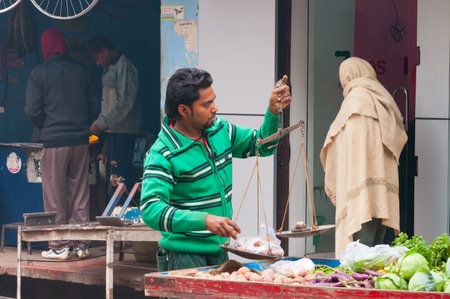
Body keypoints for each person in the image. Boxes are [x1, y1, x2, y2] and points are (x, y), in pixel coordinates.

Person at [140, 68, 291, 271]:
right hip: (183, 257)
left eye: (213, 100)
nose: (215, 108)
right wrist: (204, 220)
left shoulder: (219, 130)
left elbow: (262, 145)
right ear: (184, 110)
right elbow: (151, 210)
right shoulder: (163, 153)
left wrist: (273, 112)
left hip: (219, 251)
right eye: (206, 104)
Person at [320, 57, 408, 257]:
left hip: (359, 192)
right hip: (381, 191)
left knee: (357, 256)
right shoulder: (383, 98)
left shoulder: (355, 100)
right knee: (375, 251)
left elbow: (337, 145)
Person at [25, 28, 100, 259]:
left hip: (55, 141)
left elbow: (32, 111)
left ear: (46, 46)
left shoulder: (39, 73)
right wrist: (81, 126)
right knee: (79, 192)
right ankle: (81, 245)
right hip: (80, 142)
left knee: (55, 194)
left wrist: (46, 127)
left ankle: (59, 246)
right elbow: (95, 107)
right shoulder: (83, 72)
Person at [87, 35, 141, 197]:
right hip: (114, 134)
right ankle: (116, 210)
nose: (97, 63)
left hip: (124, 133)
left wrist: (101, 124)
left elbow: (125, 104)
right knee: (114, 176)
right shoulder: (110, 68)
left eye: (97, 58)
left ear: (105, 51)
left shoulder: (125, 66)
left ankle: (123, 213)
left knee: (121, 177)